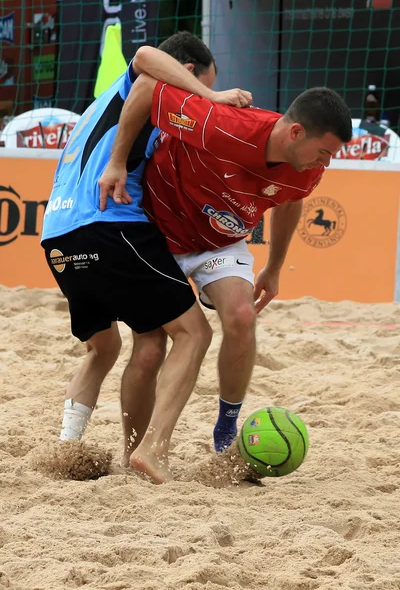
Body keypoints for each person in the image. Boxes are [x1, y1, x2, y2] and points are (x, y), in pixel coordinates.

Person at [99, 75, 352, 462]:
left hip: (217, 243)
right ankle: (135, 451)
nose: (326, 162)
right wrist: (117, 161)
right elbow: (148, 89)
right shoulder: (222, 124)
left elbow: (289, 201)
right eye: (324, 152)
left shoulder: (306, 168)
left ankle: (226, 426)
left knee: (241, 317)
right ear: (296, 132)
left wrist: (274, 267)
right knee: (150, 348)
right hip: (157, 234)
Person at [41, 32, 252, 484]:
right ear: (187, 70)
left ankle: (67, 448)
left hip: (57, 237)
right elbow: (144, 56)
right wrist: (211, 95)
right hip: (109, 224)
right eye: (197, 82)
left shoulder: (94, 109)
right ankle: (148, 451)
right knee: (193, 334)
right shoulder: (145, 84)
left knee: (111, 346)